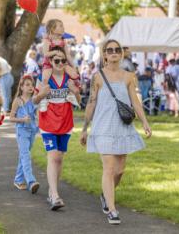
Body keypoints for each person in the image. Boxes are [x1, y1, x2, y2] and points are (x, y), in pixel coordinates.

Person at [80, 39, 152, 225]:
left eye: (116, 50)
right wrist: (84, 129)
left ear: (121, 54)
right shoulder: (97, 77)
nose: (113, 52)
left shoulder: (129, 76)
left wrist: (144, 122)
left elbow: (135, 102)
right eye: (109, 50)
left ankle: (106, 195)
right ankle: (112, 210)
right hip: (102, 127)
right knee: (109, 168)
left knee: (119, 171)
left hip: (123, 126)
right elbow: (92, 102)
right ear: (104, 55)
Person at [33, 47, 81, 211]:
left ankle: (53, 191)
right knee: (53, 156)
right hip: (48, 123)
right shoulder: (43, 78)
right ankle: (54, 195)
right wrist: (42, 94)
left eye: (63, 60)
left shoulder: (70, 78)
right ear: (50, 62)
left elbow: (79, 101)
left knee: (59, 158)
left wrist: (76, 92)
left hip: (66, 123)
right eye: (56, 60)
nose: (60, 63)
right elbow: (34, 100)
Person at [10, 75, 40, 193]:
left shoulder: (34, 100)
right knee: (26, 155)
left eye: (32, 85)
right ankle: (31, 181)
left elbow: (38, 115)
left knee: (23, 155)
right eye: (27, 85)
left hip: (32, 130)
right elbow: (11, 118)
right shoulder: (18, 101)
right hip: (21, 131)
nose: (30, 87)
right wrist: (21, 119)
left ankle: (18, 179)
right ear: (21, 87)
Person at [41, 19, 79, 111]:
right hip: (49, 64)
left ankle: (70, 94)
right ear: (53, 29)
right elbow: (45, 54)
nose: (63, 28)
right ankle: (44, 99)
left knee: (74, 74)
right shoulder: (47, 41)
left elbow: (68, 55)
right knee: (45, 78)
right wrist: (55, 52)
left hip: (63, 62)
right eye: (60, 26)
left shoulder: (63, 41)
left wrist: (73, 66)